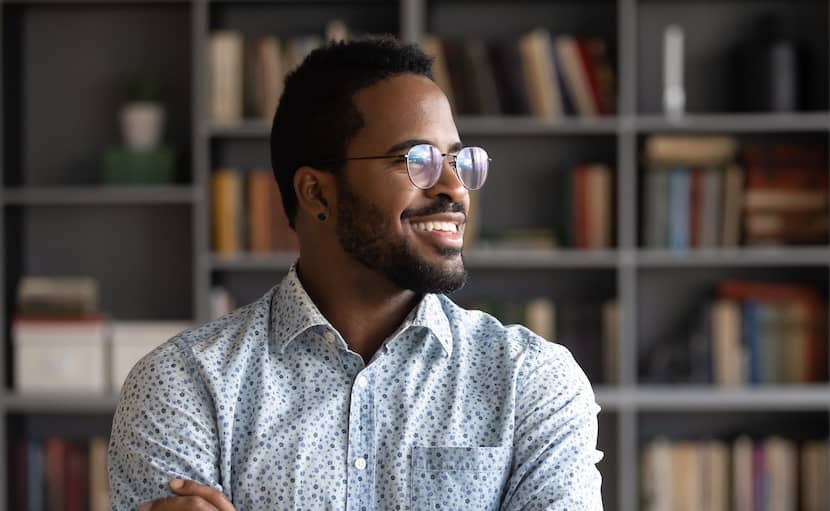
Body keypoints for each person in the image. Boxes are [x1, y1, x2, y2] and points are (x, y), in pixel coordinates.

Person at [109, 37, 603, 510]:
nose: (455, 188)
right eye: (417, 160)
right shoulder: (183, 385)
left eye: (457, 160)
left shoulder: (531, 381)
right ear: (317, 193)